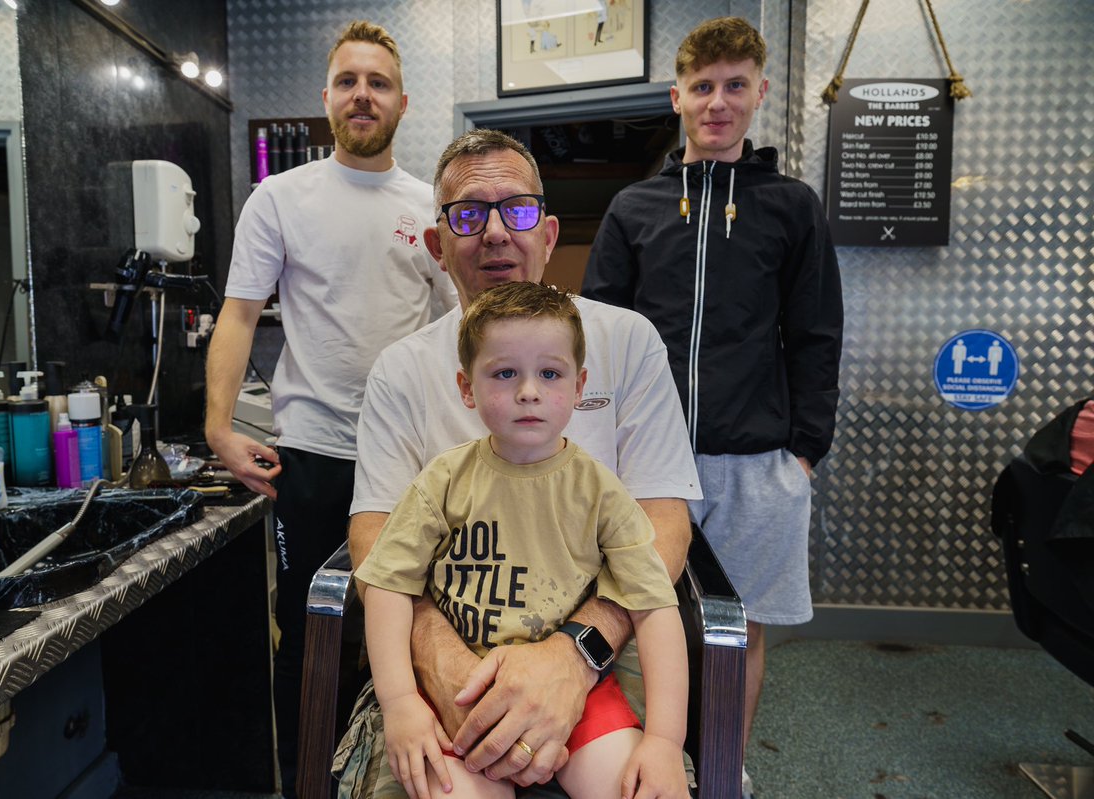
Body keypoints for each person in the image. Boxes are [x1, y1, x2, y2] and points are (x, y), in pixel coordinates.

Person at [340, 128, 701, 799]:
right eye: (469, 214)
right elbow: (376, 544)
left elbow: (663, 529)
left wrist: (576, 654)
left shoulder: (627, 341)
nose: (498, 232)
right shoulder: (403, 373)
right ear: (436, 245)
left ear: (549, 232)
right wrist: (433, 669)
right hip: (446, 644)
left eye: (520, 210)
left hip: (600, 646)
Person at [581, 16, 844, 796]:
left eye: (735, 86)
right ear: (677, 97)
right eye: (703, 87)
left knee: (737, 631)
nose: (718, 102)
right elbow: (596, 330)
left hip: (754, 461)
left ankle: (723, 759)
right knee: (634, 617)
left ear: (759, 92)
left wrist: (804, 450)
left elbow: (816, 331)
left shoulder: (790, 206)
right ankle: (650, 757)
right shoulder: (634, 207)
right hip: (645, 464)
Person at [203, 20, 456, 797]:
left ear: (403, 102)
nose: (362, 95)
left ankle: (399, 772)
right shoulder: (280, 198)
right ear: (326, 99)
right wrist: (218, 427)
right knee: (314, 632)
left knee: (419, 623)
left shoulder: (431, 206)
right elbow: (239, 314)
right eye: (348, 81)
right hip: (312, 450)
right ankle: (311, 779)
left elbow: (459, 329)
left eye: (378, 83)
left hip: (413, 459)